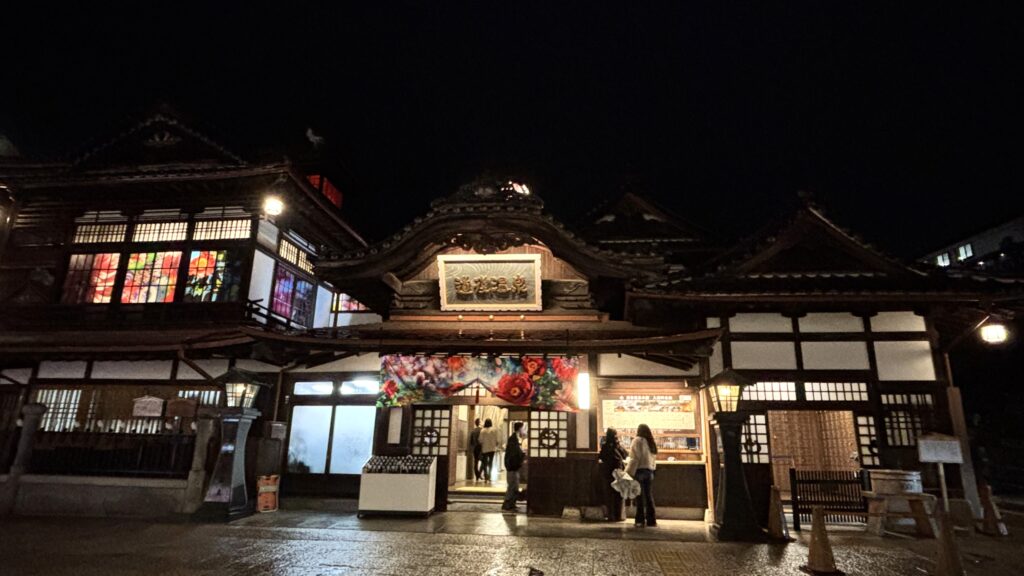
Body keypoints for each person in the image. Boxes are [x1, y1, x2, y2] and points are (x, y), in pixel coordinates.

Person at [626, 423, 658, 527]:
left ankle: (640, 520)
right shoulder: (651, 442)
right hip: (649, 472)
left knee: (639, 497)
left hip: (639, 471)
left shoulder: (637, 440)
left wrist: (628, 472)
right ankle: (651, 520)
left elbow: (635, 458)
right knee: (649, 496)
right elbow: (653, 458)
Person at [598, 427, 628, 521]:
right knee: (618, 494)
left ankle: (611, 516)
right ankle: (619, 515)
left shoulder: (605, 446)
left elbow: (601, 457)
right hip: (618, 472)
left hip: (608, 473)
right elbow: (626, 455)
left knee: (609, 494)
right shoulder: (618, 445)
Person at [502, 421, 526, 512]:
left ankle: (512, 504)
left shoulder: (515, 438)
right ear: (519, 429)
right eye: (523, 428)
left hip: (514, 467)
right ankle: (507, 504)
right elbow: (514, 453)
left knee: (515, 486)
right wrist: (522, 455)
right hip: (512, 467)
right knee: (512, 486)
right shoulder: (513, 439)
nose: (523, 430)